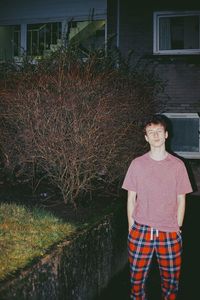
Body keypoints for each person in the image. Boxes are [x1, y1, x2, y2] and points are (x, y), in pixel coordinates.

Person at [122, 114, 193, 300]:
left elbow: (181, 199)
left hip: (169, 233)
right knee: (136, 284)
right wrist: (131, 229)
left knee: (171, 286)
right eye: (151, 132)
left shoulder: (178, 166)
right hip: (141, 231)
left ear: (166, 134)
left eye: (159, 131)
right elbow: (131, 198)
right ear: (146, 137)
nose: (155, 136)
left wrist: (177, 227)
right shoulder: (137, 164)